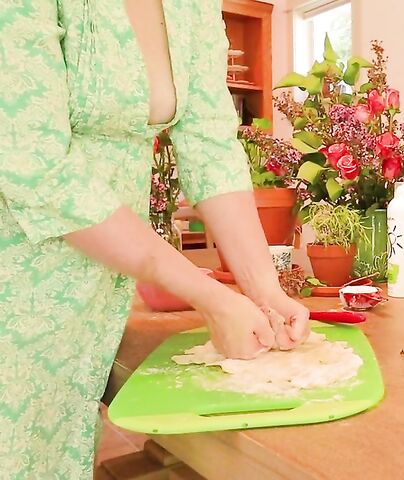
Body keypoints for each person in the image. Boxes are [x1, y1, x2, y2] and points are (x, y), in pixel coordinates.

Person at [0, 1, 310, 477]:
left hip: (97, 289)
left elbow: (209, 143)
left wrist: (264, 289)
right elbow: (36, 163)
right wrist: (208, 296)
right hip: (16, 278)